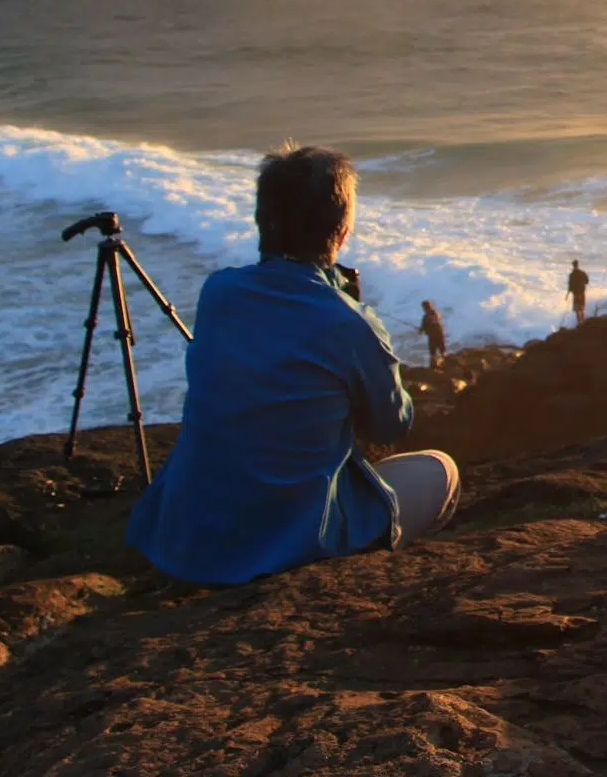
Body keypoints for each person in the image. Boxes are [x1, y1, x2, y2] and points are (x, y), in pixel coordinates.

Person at [127, 143, 460, 586]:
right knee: (442, 470)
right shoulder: (348, 322)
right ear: (341, 232)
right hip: (287, 541)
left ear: (262, 221)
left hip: (190, 539)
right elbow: (391, 425)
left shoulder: (219, 293)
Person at [419, 300, 447, 369]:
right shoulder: (436, 313)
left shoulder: (427, 316)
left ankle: (434, 366)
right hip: (440, 333)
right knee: (442, 349)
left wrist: (422, 330)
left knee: (433, 351)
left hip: (433, 335)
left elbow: (425, 325)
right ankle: (446, 363)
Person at [567, 259, 590, 325]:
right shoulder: (582, 273)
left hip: (576, 294)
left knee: (577, 309)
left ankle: (579, 323)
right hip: (582, 293)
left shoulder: (571, 275)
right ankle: (583, 321)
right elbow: (587, 281)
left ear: (573, 265)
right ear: (578, 265)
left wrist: (570, 290)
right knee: (582, 308)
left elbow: (570, 286)